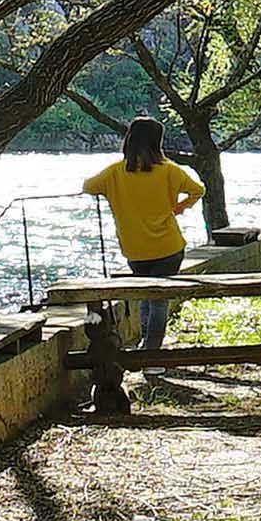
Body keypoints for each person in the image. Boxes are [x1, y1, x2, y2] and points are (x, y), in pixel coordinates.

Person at [83, 117, 203, 351]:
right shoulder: (169, 170)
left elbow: (88, 186)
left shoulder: (115, 172)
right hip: (169, 247)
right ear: (157, 143)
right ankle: (151, 351)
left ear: (129, 140)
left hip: (135, 249)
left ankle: (147, 347)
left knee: (146, 296)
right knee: (158, 300)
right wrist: (179, 207)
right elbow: (198, 190)